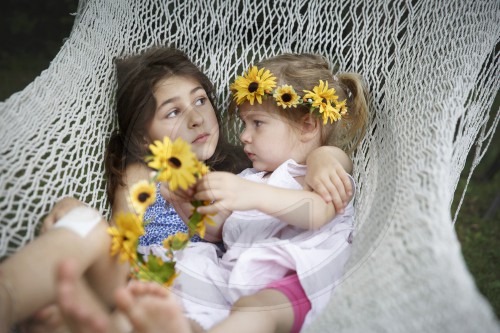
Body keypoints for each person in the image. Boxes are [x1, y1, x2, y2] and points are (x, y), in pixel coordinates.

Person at [0, 47, 353, 332]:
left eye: (201, 101)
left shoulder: (243, 173)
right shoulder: (144, 172)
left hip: (179, 294)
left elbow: (315, 173)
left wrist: (325, 155)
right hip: (133, 274)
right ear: (142, 136)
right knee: (85, 224)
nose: (196, 118)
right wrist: (72, 206)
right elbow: (126, 237)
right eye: (172, 112)